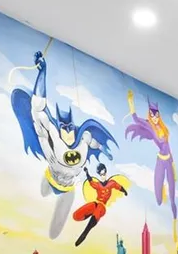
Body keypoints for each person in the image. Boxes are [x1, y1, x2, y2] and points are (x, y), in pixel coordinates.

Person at [11, 51, 117, 239]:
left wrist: (104, 151)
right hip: (51, 177)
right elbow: (38, 109)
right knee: (43, 193)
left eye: (69, 127)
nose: (67, 131)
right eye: (64, 127)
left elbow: (93, 142)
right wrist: (42, 72)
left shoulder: (83, 139)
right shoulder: (52, 133)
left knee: (55, 230)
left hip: (68, 188)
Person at [125, 90, 178, 242]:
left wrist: (173, 164)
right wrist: (131, 102)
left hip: (169, 161)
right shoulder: (149, 126)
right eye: (152, 115)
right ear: (149, 115)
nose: (154, 118)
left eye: (156, 115)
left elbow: (168, 147)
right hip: (160, 161)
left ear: (159, 116)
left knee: (173, 196)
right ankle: (161, 198)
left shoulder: (163, 129)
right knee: (158, 197)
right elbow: (135, 119)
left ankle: (175, 223)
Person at [72, 163, 130, 246]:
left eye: (104, 173)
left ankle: (85, 232)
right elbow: (91, 181)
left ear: (106, 172)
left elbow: (119, 187)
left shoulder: (111, 183)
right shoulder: (98, 185)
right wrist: (87, 172)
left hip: (102, 208)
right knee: (76, 215)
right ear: (99, 174)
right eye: (101, 174)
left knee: (99, 207)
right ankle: (90, 214)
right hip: (96, 204)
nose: (103, 176)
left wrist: (125, 191)